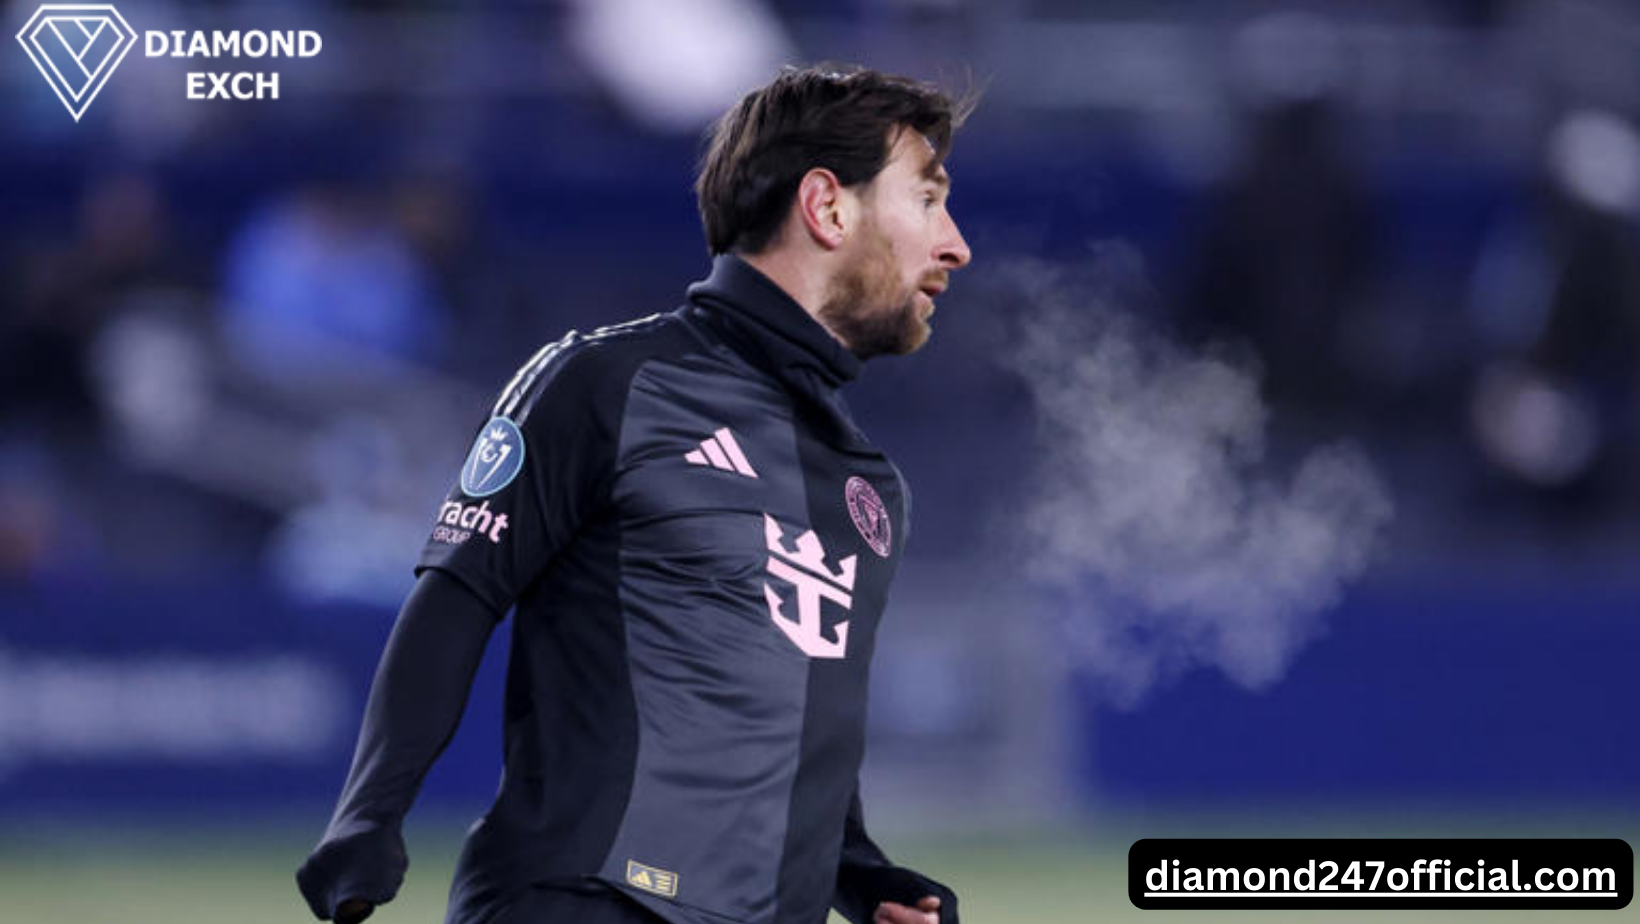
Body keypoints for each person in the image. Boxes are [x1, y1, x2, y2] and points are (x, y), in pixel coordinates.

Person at [297, 63, 974, 924]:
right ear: (827, 207)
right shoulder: (604, 383)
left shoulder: (867, 490)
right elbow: (457, 598)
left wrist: (863, 875)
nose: (954, 244)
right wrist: (369, 816)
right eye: (927, 199)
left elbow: (791, 738)